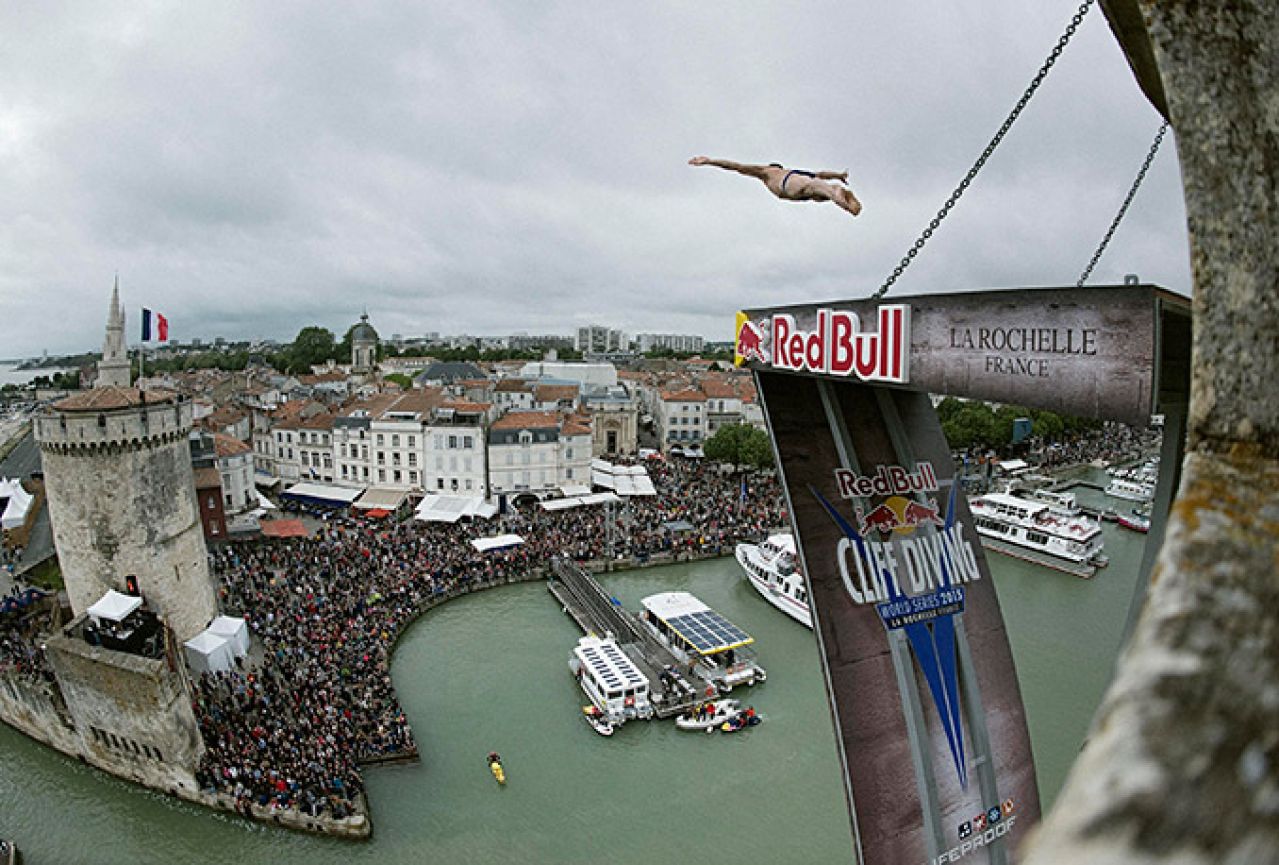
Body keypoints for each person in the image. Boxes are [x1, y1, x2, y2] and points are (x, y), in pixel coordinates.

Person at [688, 156, 862, 216]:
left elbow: (737, 167)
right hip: (797, 184)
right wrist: (839, 176)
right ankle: (838, 194)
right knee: (820, 187)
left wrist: (709, 161)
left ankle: (839, 197)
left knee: (819, 190)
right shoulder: (778, 171)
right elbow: (822, 173)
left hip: (791, 189)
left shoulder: (768, 172)